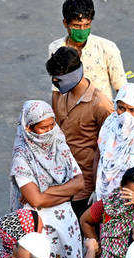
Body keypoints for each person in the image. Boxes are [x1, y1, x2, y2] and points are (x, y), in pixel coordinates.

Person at [9, 100, 91, 258]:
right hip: (40, 231)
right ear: (29, 128)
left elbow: (79, 183)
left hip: (68, 229)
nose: (48, 131)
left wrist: (46, 196)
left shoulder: (59, 141)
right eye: (42, 128)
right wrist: (60, 193)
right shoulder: (21, 158)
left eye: (51, 125)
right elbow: (35, 200)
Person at [46, 46, 114, 216]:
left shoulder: (100, 105)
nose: (55, 81)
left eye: (58, 77)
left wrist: (99, 188)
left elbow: (109, 148)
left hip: (84, 186)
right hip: (60, 179)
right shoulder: (59, 95)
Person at [48, 0, 127, 100]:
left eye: (86, 25)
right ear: (65, 23)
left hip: (101, 111)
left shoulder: (107, 48)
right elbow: (57, 90)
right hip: (71, 111)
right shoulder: (55, 48)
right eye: (76, 25)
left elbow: (122, 88)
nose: (82, 30)